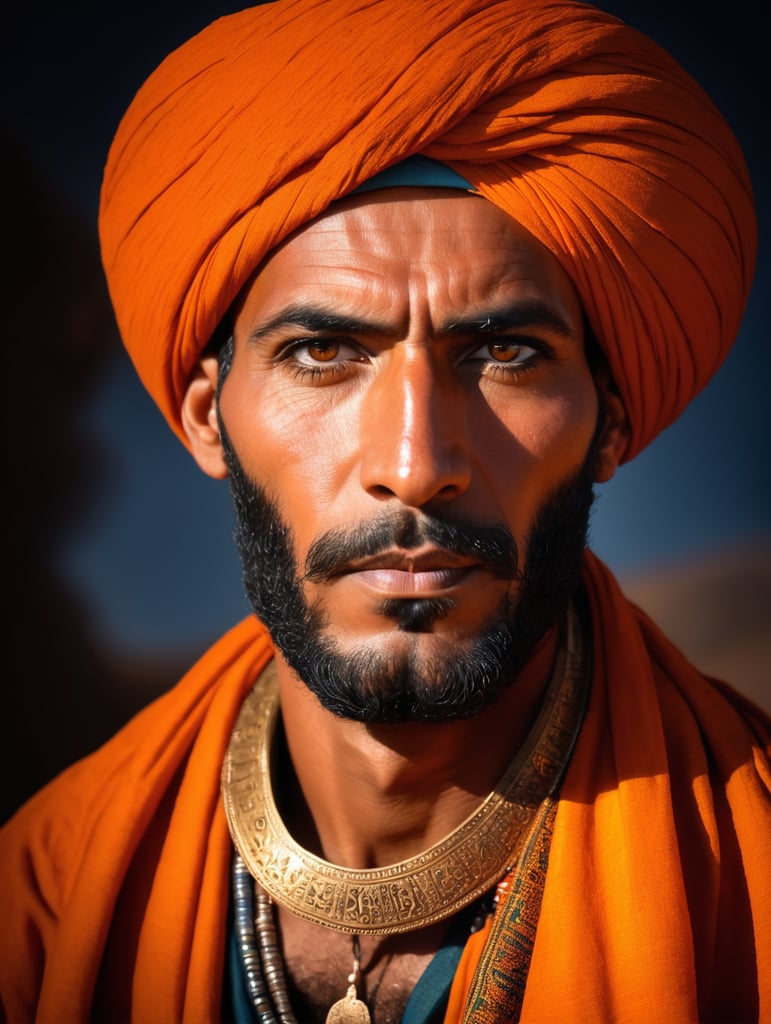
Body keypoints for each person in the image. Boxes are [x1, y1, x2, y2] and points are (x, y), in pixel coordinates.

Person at [2, 0, 769, 1021]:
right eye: (324, 353)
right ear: (206, 420)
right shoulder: (47, 897)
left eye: (505, 352)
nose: (416, 465)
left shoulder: (753, 884)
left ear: (612, 423)